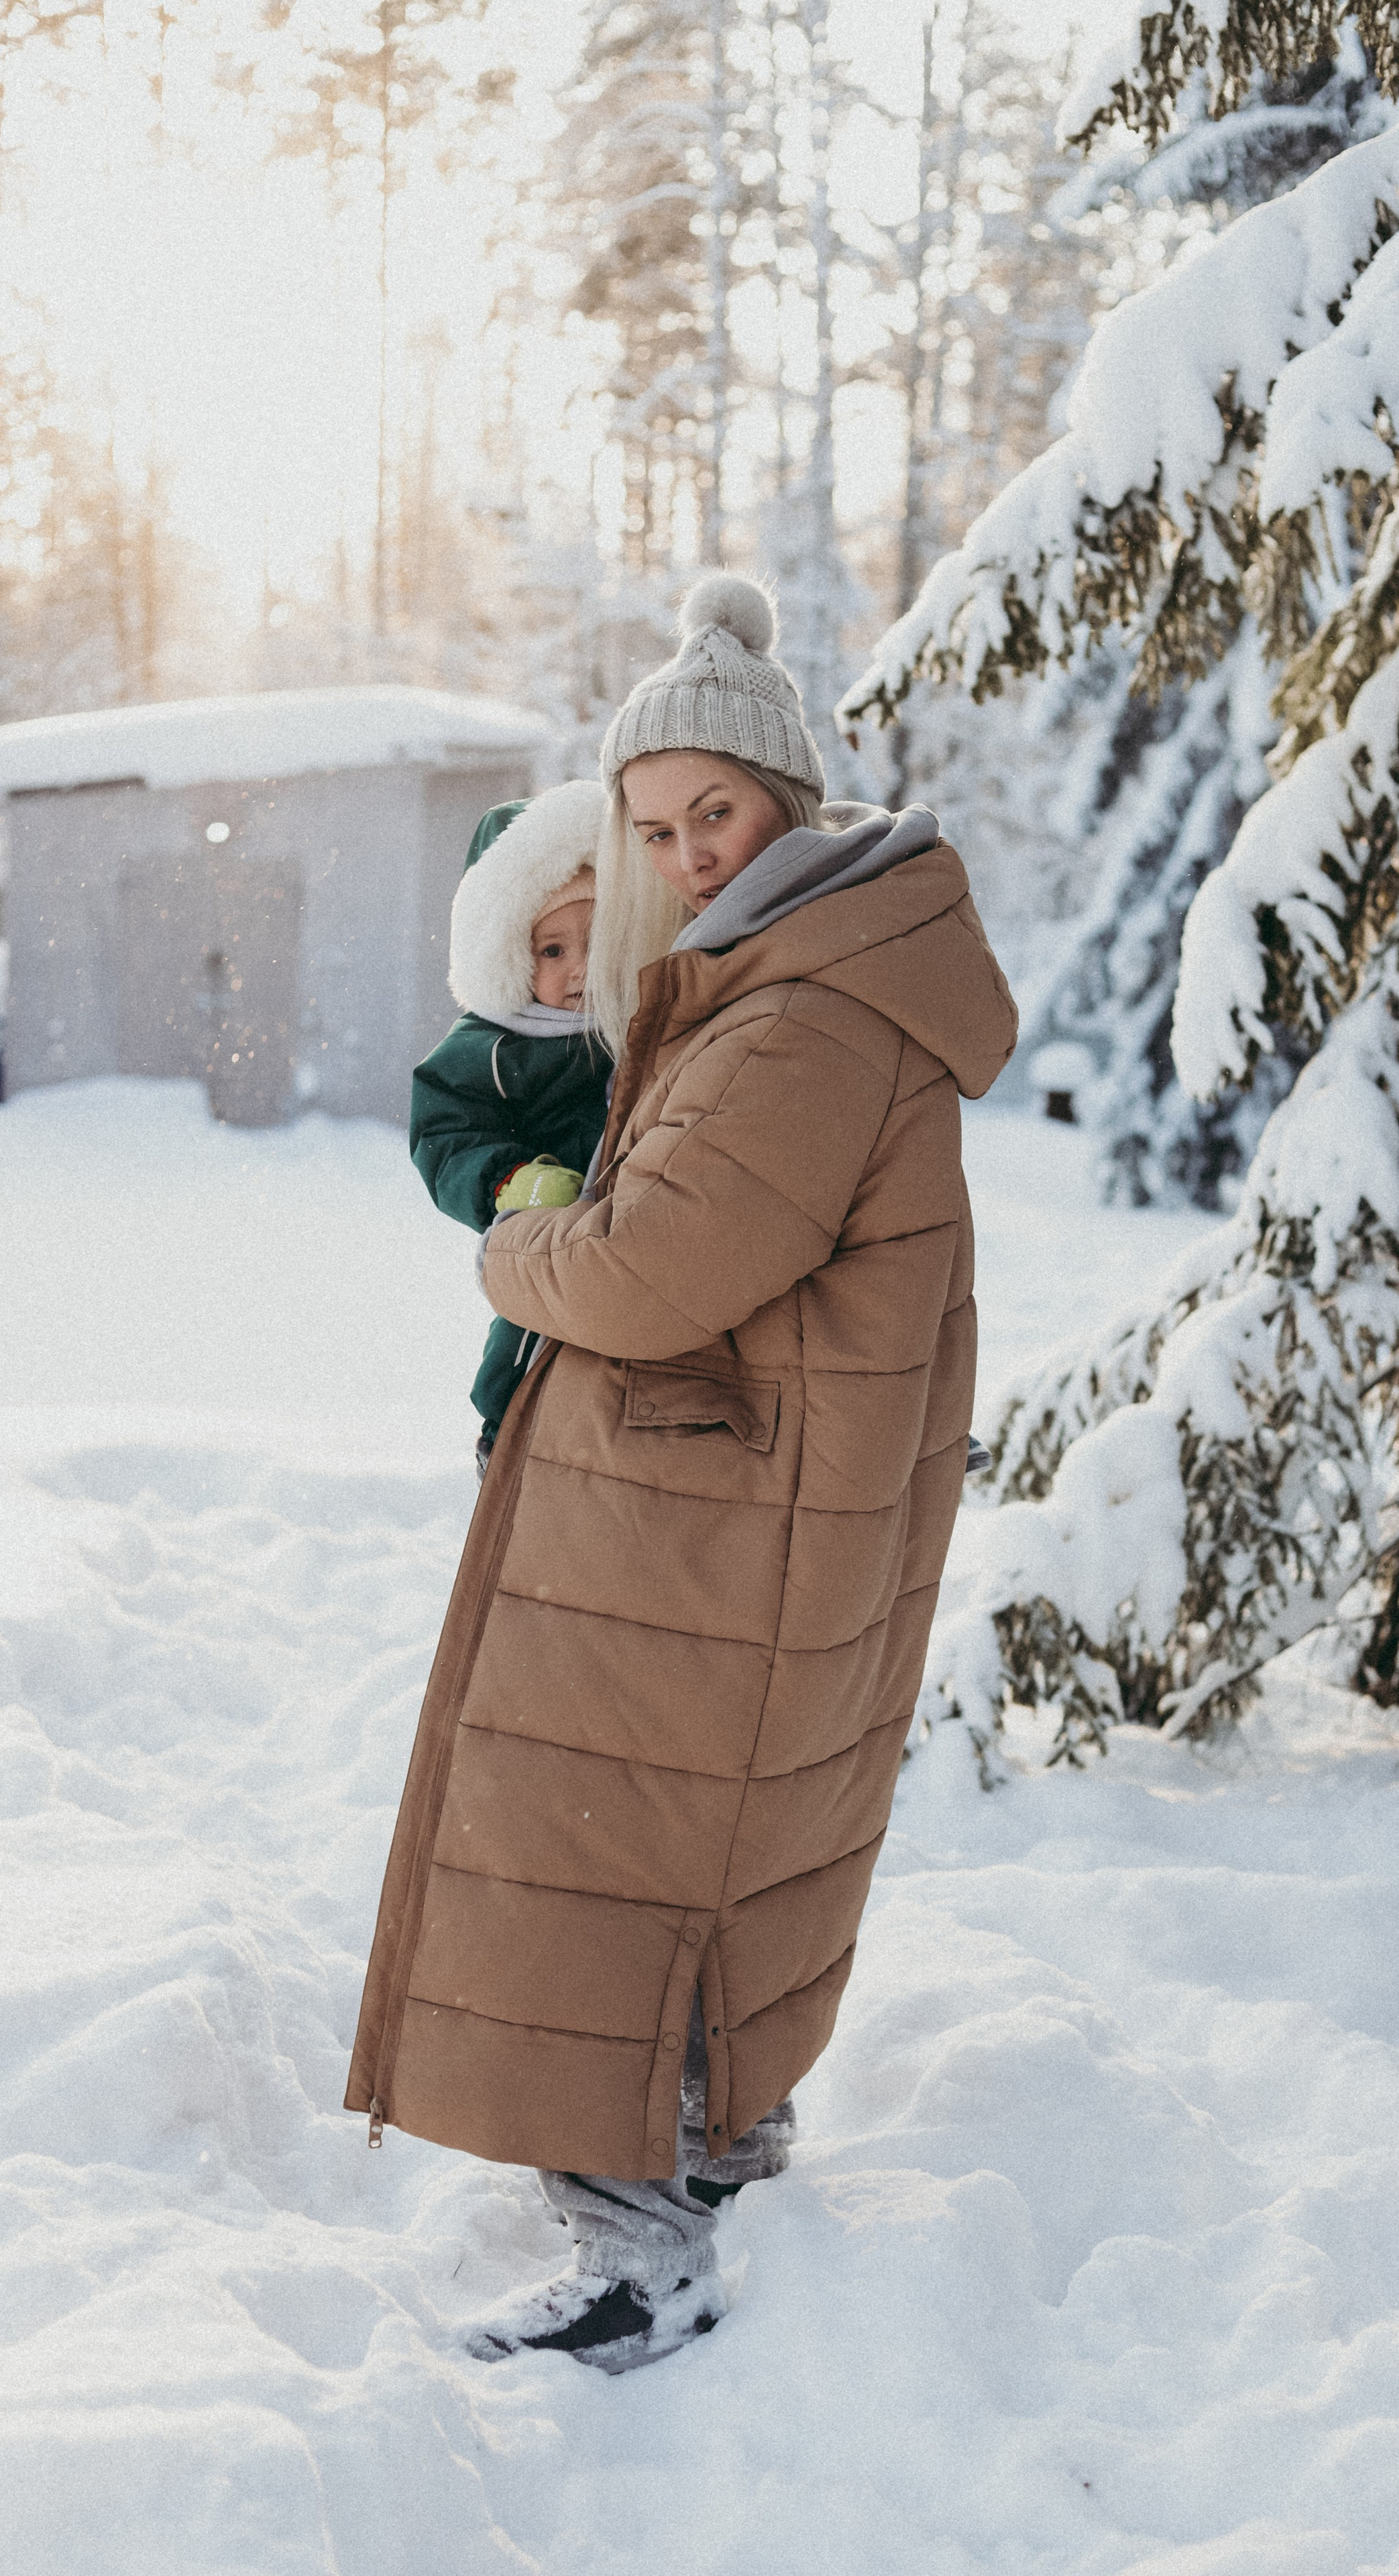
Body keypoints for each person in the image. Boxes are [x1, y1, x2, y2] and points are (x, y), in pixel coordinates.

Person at [346, 574, 1017, 2373]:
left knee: (607, 1856)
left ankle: (645, 2254)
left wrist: (512, 1255)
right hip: (750, 1505)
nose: (685, 852)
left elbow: (648, 1266)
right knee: (704, 1852)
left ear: (786, 799)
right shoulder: (799, 971)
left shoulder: (802, 1015)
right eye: (653, 827)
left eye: (711, 811)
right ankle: (715, 2142)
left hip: (719, 1526)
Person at [409, 781, 614, 1474]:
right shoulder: (497, 1045)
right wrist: (507, 1179)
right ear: (510, 957)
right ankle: (505, 1432)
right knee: (528, 1340)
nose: (581, 967)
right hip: (545, 1229)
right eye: (552, 951)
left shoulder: (644, 1023)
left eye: (598, 939)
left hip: (631, 1234)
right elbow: (445, 1131)